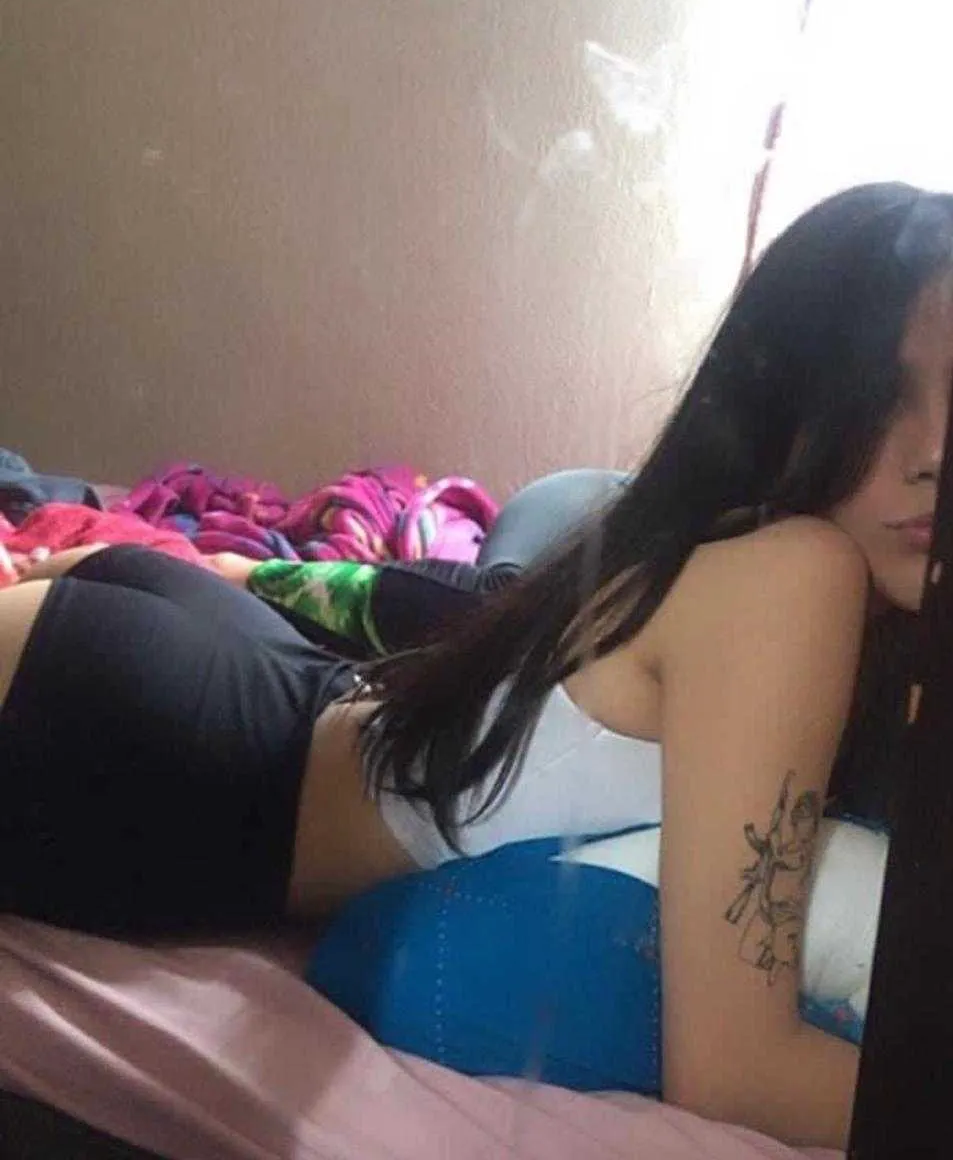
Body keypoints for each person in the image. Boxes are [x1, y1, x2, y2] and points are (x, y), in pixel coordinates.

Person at [1, 181, 951, 1149]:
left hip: (240, 665)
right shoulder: (798, 578)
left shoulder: (768, 570)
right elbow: (734, 1071)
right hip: (165, 749)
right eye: (883, 398)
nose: (933, 452)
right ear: (788, 403)